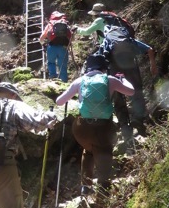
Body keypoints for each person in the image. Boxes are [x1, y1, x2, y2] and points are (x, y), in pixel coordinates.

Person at [56, 53, 134, 197]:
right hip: (104, 128)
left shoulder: (80, 81)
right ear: (104, 68)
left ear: (88, 68)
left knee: (89, 150)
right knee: (104, 153)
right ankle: (103, 190)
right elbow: (131, 91)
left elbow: (59, 102)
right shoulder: (110, 80)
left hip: (82, 129)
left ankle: (85, 187)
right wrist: (122, 79)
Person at [101, 27, 158, 138]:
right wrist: (153, 65)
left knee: (118, 98)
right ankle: (138, 120)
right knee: (136, 92)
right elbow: (149, 49)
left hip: (115, 70)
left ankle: (124, 126)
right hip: (131, 67)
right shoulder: (128, 40)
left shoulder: (106, 41)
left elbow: (102, 59)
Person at [39, 10, 72, 82]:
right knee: (62, 65)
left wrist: (43, 44)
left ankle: (53, 79)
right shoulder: (65, 24)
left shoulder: (50, 24)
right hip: (63, 47)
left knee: (51, 63)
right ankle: (64, 82)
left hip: (52, 47)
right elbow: (71, 36)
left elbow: (42, 37)